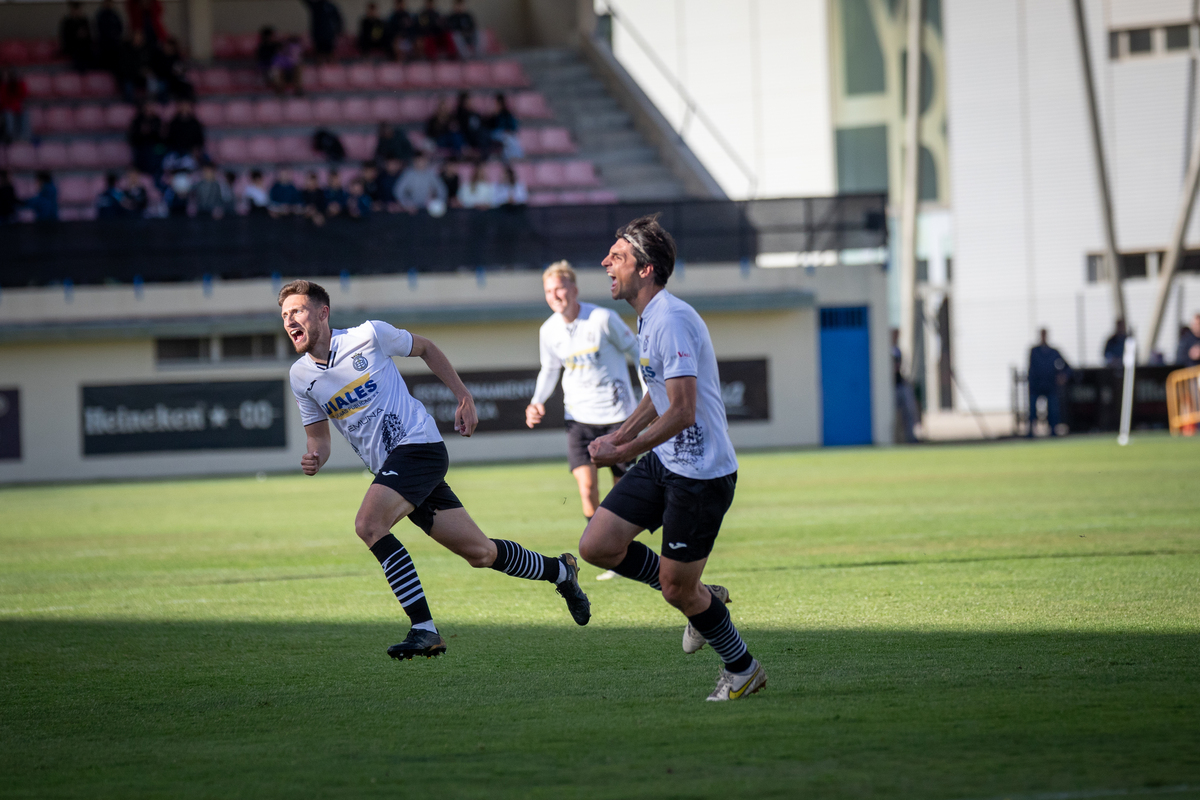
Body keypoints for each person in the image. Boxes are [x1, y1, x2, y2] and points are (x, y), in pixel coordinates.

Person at [279, 279, 591, 659]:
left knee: (369, 525)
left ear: (323, 313)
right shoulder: (301, 377)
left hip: (419, 447)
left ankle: (424, 629)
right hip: (395, 469)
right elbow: (320, 441)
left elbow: (425, 347)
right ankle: (561, 572)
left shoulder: (369, 335)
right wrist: (315, 457)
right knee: (481, 553)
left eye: (297, 311)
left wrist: (464, 395)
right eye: (284, 315)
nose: (289, 320)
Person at [577, 215, 765, 702]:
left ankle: (742, 668)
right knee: (597, 545)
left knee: (676, 590)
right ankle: (704, 595)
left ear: (646, 268)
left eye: (616, 257)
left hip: (701, 475)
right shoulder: (648, 318)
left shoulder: (672, 318)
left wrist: (622, 449)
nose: (605, 263)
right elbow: (657, 394)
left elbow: (682, 411)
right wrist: (622, 434)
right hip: (666, 463)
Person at [526, 261, 643, 580]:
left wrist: (650, 395)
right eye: (549, 291)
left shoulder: (603, 319)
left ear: (574, 289)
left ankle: (623, 555)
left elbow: (637, 352)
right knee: (587, 487)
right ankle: (605, 552)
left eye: (560, 288)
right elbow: (549, 369)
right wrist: (537, 401)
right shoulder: (548, 330)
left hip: (619, 418)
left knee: (623, 493)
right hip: (578, 419)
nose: (555, 295)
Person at [1027, 328, 1070, 438]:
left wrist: (1063, 376)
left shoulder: (1053, 352)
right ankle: (1031, 432)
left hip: (1050, 385)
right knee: (1032, 410)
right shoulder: (1034, 351)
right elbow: (1031, 369)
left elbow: (1068, 367)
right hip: (1036, 386)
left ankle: (1053, 431)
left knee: (1053, 410)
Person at [891, 329, 918, 443]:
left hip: (900, 385)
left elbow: (900, 368)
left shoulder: (898, 351)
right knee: (893, 415)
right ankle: (895, 438)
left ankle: (910, 437)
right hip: (892, 388)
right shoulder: (886, 350)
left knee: (909, 411)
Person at [164, 99, 205, 170]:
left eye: (186, 105)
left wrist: (195, 150)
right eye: (182, 105)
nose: (184, 107)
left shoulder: (195, 123)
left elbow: (199, 140)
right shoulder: (174, 122)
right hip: (176, 152)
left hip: (190, 152)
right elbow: (169, 140)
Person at [60, 1, 95, 72]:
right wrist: (76, 35)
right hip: (73, 47)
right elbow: (65, 38)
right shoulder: (67, 22)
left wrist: (84, 36)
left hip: (85, 47)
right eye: (75, 9)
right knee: (79, 55)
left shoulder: (84, 21)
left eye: (78, 9)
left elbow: (89, 36)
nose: (76, 11)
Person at [0, 69, 32, 144]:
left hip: (16, 109)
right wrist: (4, 83)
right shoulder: (2, 86)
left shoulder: (15, 85)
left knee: (25, 113)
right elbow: (2, 100)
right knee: (8, 114)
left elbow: (24, 94)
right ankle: (10, 136)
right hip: (4, 109)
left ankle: (25, 137)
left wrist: (19, 81)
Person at [95, 0, 124, 74]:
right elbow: (99, 29)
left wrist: (115, 36)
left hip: (115, 45)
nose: (109, 4)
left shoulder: (115, 15)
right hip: (104, 45)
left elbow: (120, 28)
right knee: (105, 68)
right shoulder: (100, 15)